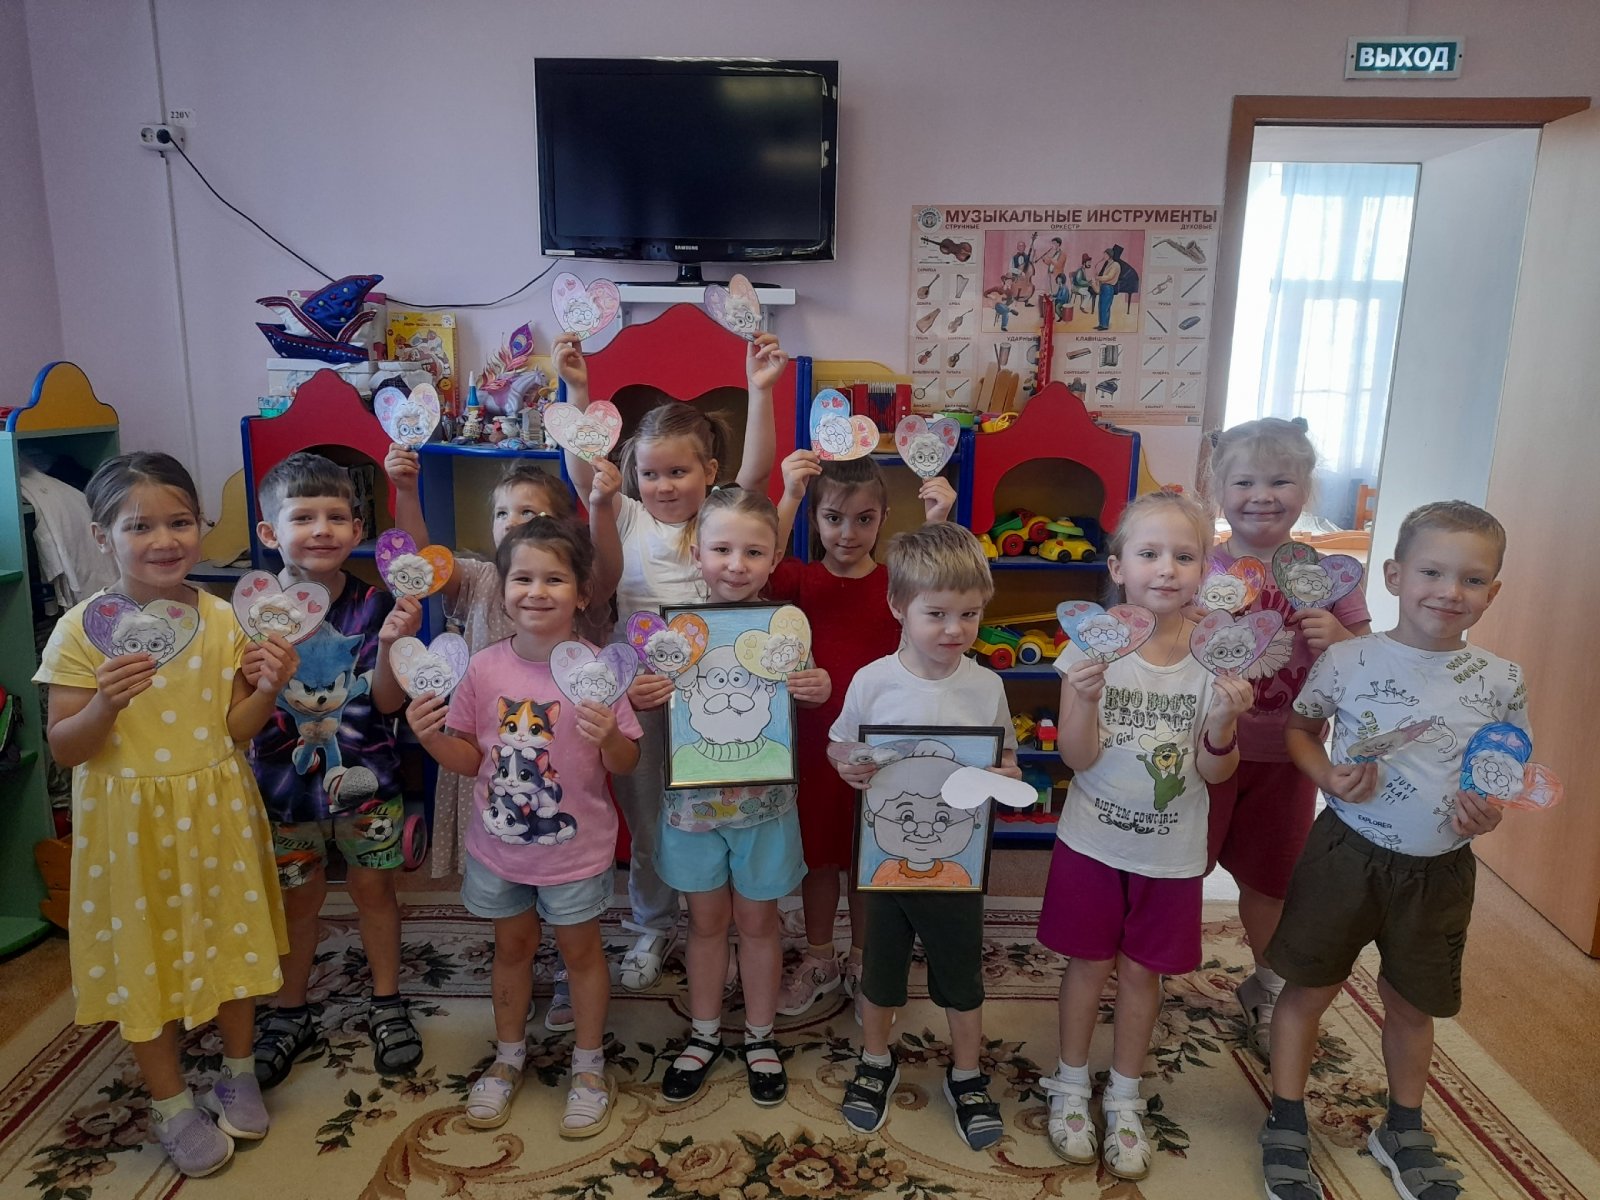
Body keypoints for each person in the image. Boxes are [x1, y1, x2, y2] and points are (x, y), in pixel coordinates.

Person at [36, 453, 296, 1176]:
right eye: (139, 526)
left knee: (233, 936)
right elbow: (65, 747)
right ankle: (171, 1102)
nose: (163, 540)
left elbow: (236, 729)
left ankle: (237, 1072)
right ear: (101, 536)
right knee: (141, 954)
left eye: (180, 522)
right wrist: (105, 703)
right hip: (128, 825)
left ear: (201, 527)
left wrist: (268, 689)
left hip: (215, 807)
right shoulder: (82, 630)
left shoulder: (222, 618)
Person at [1260, 502, 1526, 1200]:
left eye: (1472, 579)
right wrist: (1326, 776)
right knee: (1309, 988)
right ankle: (1286, 1116)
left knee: (1413, 1004)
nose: (1450, 591)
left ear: (1493, 592)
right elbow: (1300, 730)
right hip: (1346, 855)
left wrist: (1488, 814)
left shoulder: (1503, 680)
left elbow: (1501, 775)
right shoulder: (1348, 658)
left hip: (1440, 871)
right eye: (1432, 572)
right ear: (1394, 575)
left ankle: (1402, 1126)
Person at [557, 330, 787, 992]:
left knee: (718, 805)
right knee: (649, 815)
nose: (662, 485)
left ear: (708, 472)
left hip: (717, 686)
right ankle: (654, 923)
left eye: (678, 472)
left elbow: (757, 475)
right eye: (651, 473)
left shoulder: (719, 518)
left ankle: (721, 922)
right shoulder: (627, 515)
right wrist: (578, 388)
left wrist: (761, 391)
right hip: (642, 690)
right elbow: (585, 476)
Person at [1039, 491, 1251, 1181]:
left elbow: (1217, 771)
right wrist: (1085, 698)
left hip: (1171, 851)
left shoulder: (1215, 658)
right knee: (1087, 964)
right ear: (1118, 567)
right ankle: (1071, 1081)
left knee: (1142, 972)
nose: (1166, 569)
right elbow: (1076, 758)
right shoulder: (1090, 647)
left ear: (1204, 570)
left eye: (1184, 556)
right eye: (1149, 553)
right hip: (1092, 843)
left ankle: (1125, 1094)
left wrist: (1223, 722)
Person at [407, 517, 641, 1137]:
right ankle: (508, 1056)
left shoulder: (600, 672)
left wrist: (610, 737)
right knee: (510, 948)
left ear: (583, 594)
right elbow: (468, 759)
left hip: (576, 852)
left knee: (580, 953)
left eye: (554, 579)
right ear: (502, 589)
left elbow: (626, 762)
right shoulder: (483, 668)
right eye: (522, 578)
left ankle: (588, 1066)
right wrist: (431, 739)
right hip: (499, 850)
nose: (536, 592)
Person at [387, 449, 619, 1033]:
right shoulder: (482, 580)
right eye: (502, 513)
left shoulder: (584, 642)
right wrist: (408, 490)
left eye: (528, 513)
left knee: (574, 931)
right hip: (491, 774)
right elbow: (421, 563)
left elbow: (621, 755)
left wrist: (600, 503)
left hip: (566, 792)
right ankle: (513, 1031)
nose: (513, 523)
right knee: (510, 923)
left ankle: (570, 985)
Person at [630, 488, 831, 1107]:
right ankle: (705, 1033)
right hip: (692, 808)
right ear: (698, 552)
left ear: (774, 560)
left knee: (759, 924)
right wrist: (643, 695)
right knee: (706, 923)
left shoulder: (784, 629)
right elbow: (654, 703)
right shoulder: (672, 634)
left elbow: (803, 690)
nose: (736, 565)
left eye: (753, 552)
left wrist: (818, 686)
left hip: (764, 808)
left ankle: (761, 1037)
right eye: (721, 549)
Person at [829, 522, 1021, 1150]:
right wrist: (848, 765)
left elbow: (1007, 758)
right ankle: (875, 1059)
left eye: (970, 614)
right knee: (880, 971)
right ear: (898, 607)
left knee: (961, 973)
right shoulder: (872, 680)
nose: (955, 630)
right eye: (936, 613)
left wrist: (1006, 773)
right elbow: (840, 745)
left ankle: (966, 1074)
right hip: (884, 861)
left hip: (958, 862)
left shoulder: (987, 685)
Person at [247, 452, 423, 1090]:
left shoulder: (375, 605)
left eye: (336, 517)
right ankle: (289, 1010)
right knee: (298, 901)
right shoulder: (249, 609)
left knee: (375, 893)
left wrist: (395, 643)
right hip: (282, 791)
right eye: (303, 518)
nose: (321, 529)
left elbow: (388, 704)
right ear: (270, 533)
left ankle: (386, 1000)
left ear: (357, 529)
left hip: (367, 783)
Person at [1201, 417, 1371, 1062]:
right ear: (1219, 490)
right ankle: (1152, 968)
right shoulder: (1199, 566)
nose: (1262, 496)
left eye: (1281, 481)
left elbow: (1370, 665)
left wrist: (1342, 639)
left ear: (1307, 488)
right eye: (1244, 482)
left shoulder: (1331, 575)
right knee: (1180, 868)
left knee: (1271, 882)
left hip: (1291, 755)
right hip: (1202, 749)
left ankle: (1268, 985)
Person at [767, 453, 955, 1018]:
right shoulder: (800, 579)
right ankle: (820, 955)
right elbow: (764, 565)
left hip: (885, 747)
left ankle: (863, 957)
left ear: (884, 518)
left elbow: (937, 586)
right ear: (815, 519)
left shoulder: (896, 585)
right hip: (815, 742)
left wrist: (938, 520)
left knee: (872, 853)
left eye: (864, 519)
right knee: (821, 856)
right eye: (833, 518)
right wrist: (790, 496)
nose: (847, 534)